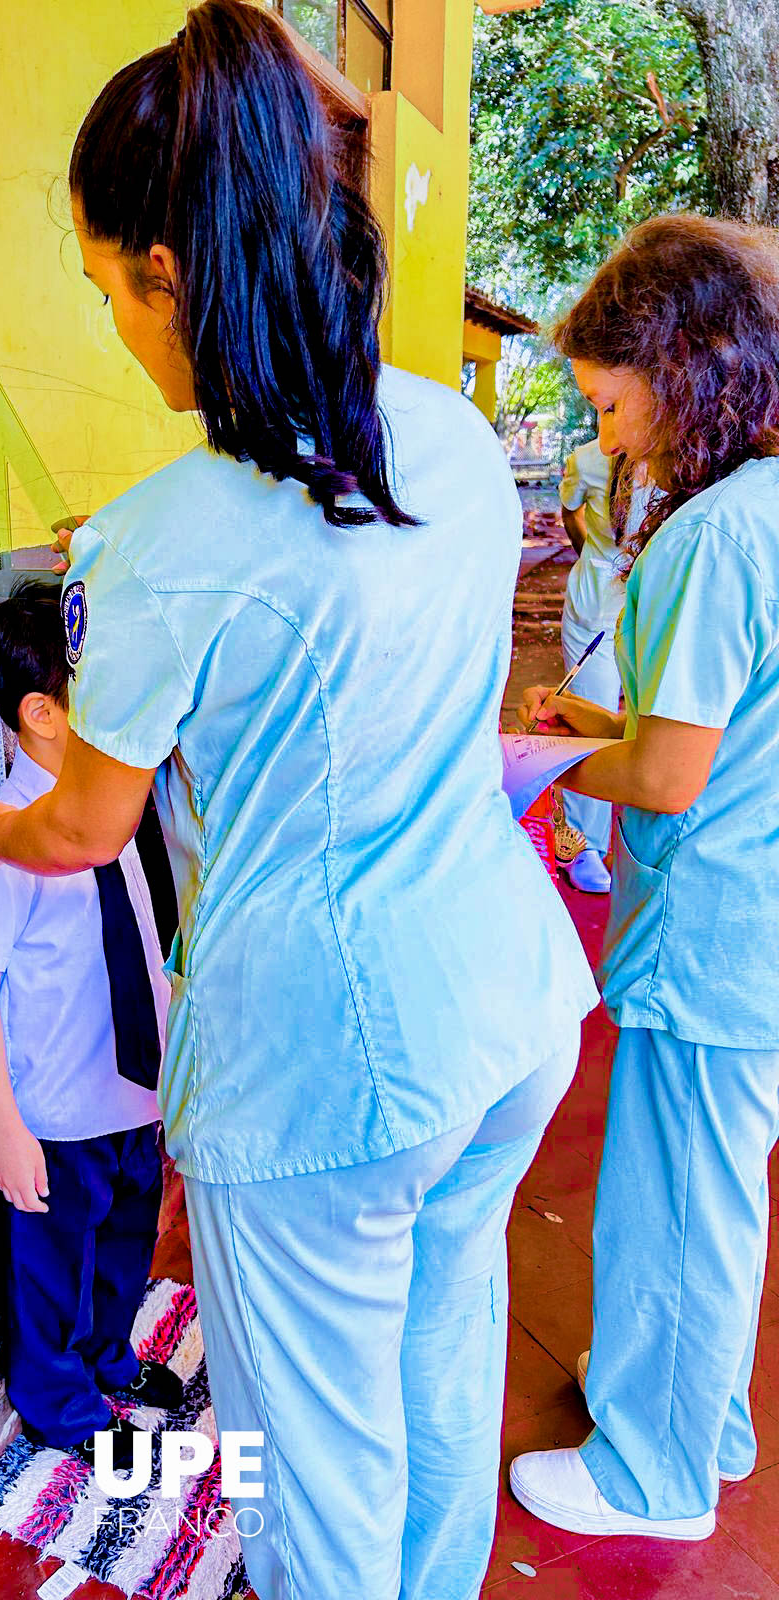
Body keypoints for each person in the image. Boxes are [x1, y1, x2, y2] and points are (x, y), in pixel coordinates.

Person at [0, 5, 595, 1595]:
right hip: (501, 1010)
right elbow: (321, 578)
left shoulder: (168, 538)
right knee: (435, 1366)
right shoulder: (438, 431)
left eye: (109, 289)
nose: (112, 327)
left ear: (176, 270)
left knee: (307, 1471)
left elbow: (89, 821)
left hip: (326, 1075)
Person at [510, 214, 779, 1544]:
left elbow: (673, 777)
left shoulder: (714, 533)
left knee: (676, 1207)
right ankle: (702, 1423)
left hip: (717, 929)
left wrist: (534, 759)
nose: (609, 438)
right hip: (756, 925)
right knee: (713, 1194)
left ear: (680, 367)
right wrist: (593, 729)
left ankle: (653, 1480)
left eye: (610, 403)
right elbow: (711, 733)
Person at [0, 580, 182, 1471]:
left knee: (127, 1244)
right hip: (56, 1111)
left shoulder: (108, 804)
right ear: (44, 713)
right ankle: (58, 1400)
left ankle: (109, 1359)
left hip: (134, 1088)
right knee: (54, 1268)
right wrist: (7, 1128)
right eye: (105, 685)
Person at [555, 439, 643, 893]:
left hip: (656, 601)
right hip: (596, 608)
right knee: (587, 709)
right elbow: (569, 510)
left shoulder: (688, 453)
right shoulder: (588, 459)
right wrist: (593, 556)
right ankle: (581, 843)